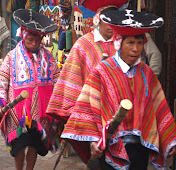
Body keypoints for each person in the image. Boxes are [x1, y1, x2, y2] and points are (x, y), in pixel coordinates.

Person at [61, 9, 176, 169]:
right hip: (110, 147)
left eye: (139, 43)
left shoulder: (147, 73)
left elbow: (160, 107)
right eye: (130, 42)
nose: (136, 49)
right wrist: (94, 140)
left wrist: (169, 139)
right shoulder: (101, 72)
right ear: (118, 43)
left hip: (139, 148)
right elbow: (86, 108)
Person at [46, 0, 128, 163]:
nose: (111, 24)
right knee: (98, 159)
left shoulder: (123, 44)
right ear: (98, 19)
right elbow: (72, 80)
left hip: (120, 113)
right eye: (107, 20)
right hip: (91, 113)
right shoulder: (83, 45)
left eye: (115, 19)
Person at [0, 9, 60, 170]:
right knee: (19, 145)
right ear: (23, 35)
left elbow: (58, 80)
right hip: (17, 114)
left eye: (37, 39)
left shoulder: (48, 58)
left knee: (34, 144)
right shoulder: (12, 57)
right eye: (30, 39)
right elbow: (0, 81)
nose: (34, 43)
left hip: (40, 114)